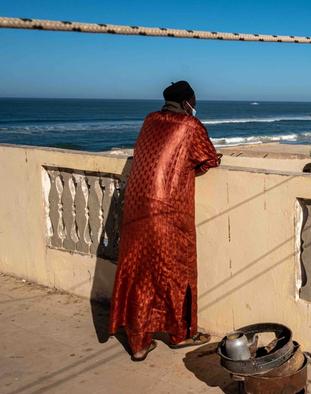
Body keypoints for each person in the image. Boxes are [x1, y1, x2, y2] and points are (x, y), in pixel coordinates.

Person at [109, 81, 221, 361]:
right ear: (187, 102)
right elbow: (208, 158)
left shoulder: (150, 120)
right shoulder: (189, 125)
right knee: (177, 271)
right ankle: (181, 333)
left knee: (139, 274)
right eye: (194, 100)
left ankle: (138, 343)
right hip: (168, 211)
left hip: (136, 209)